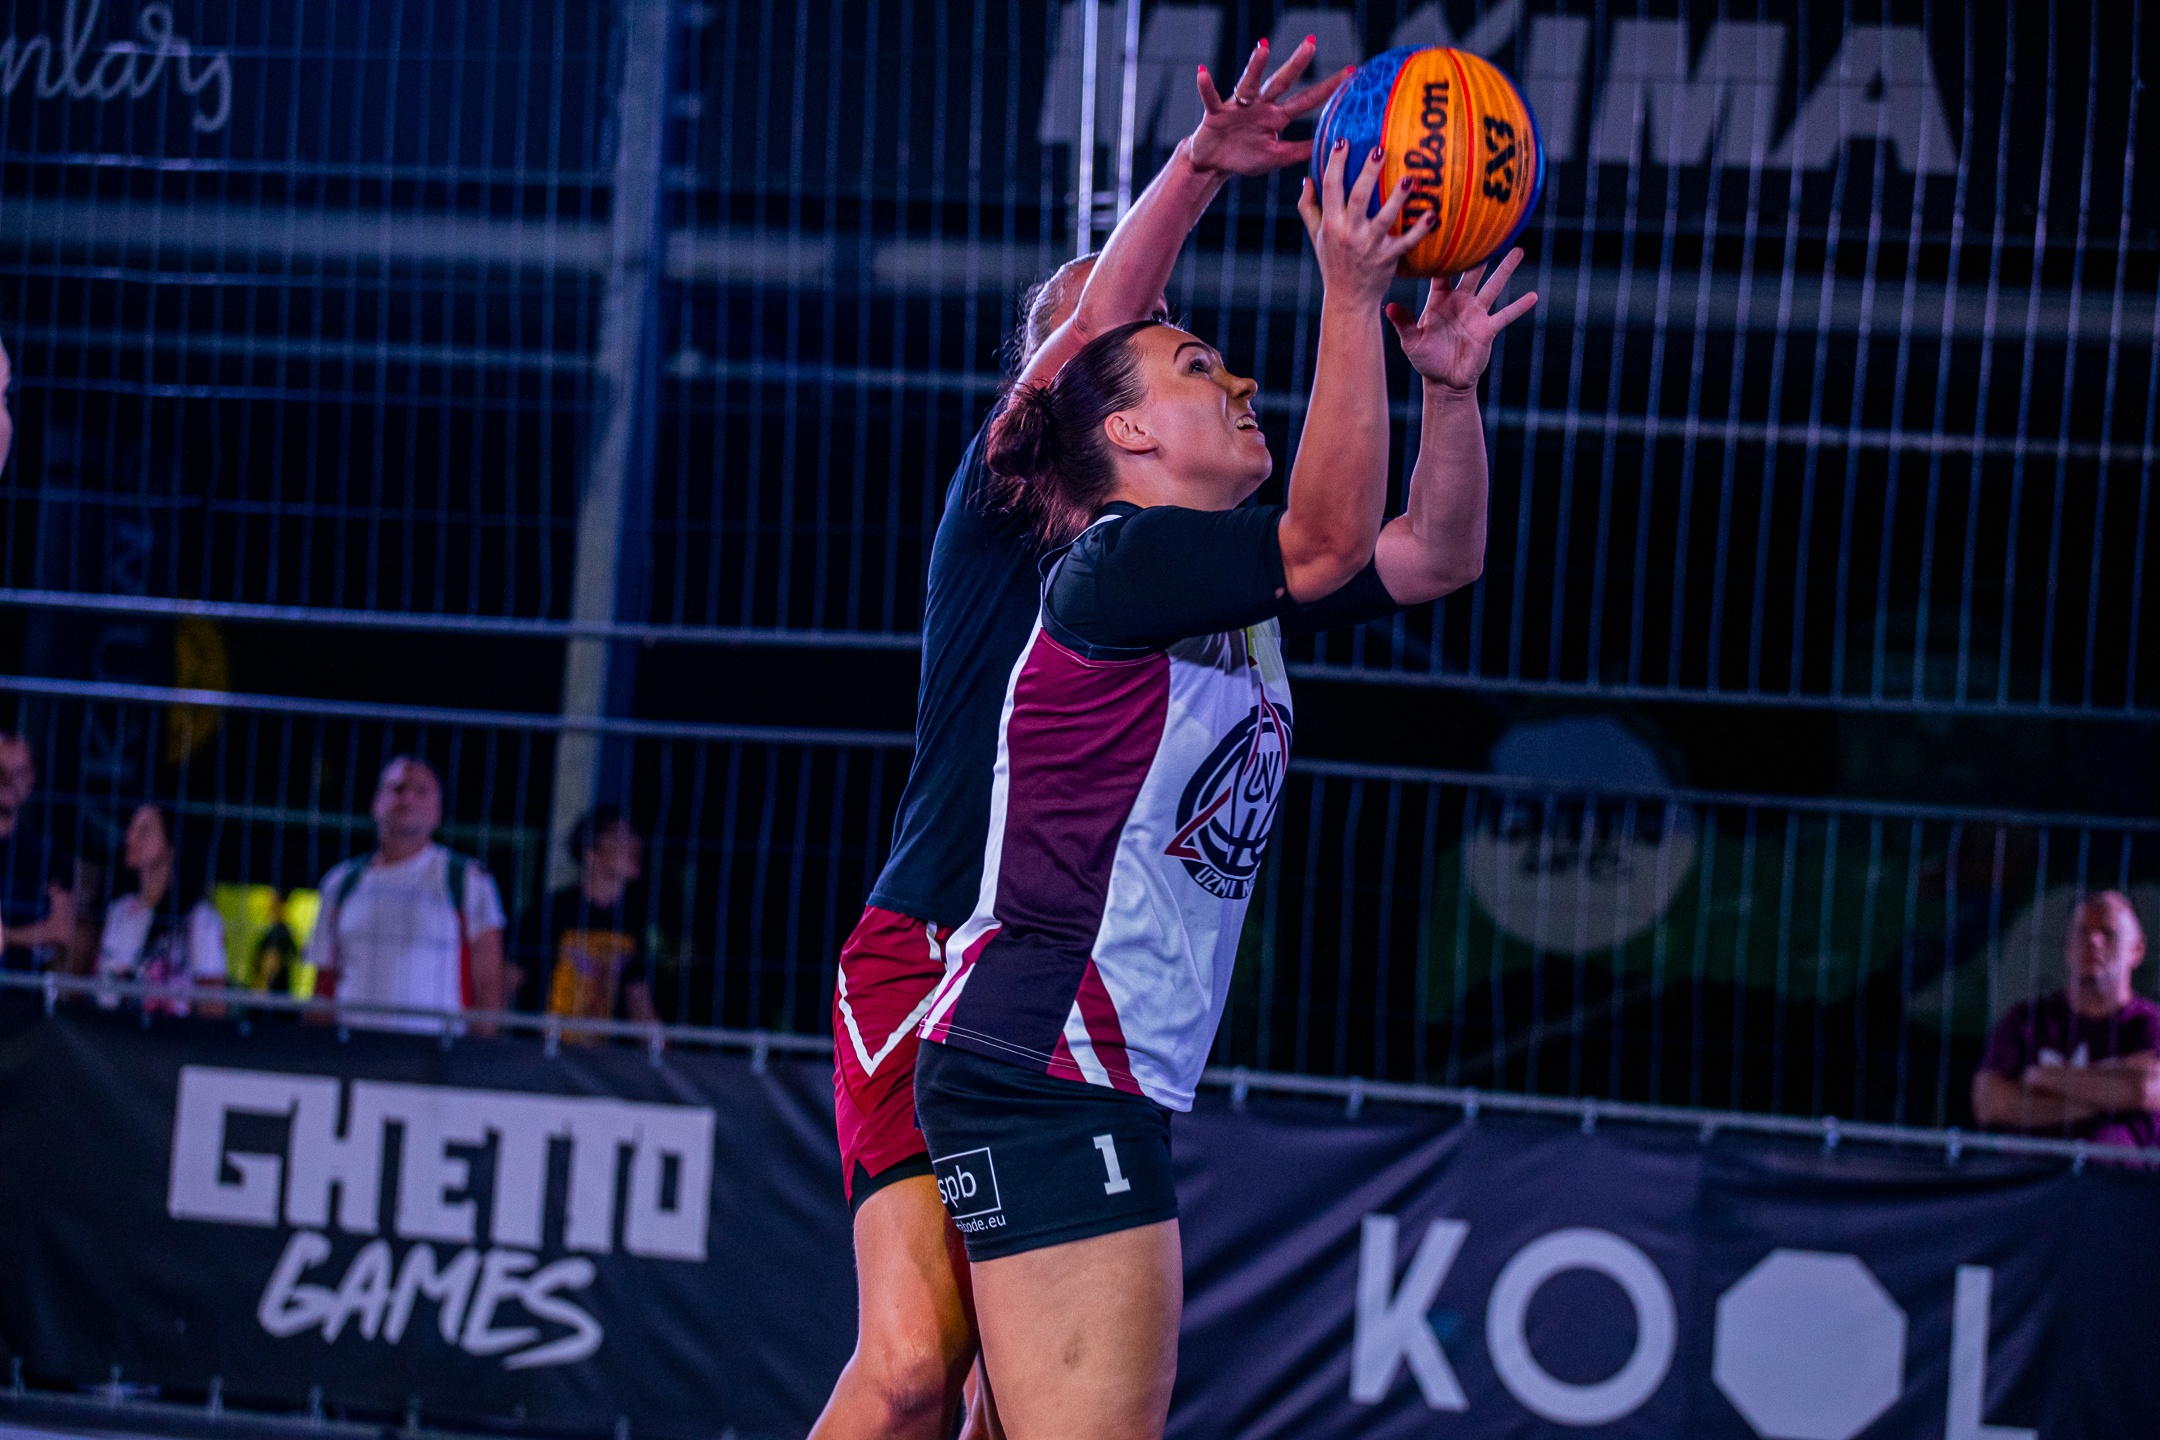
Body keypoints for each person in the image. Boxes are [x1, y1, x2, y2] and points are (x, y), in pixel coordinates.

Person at [911, 135, 1533, 1439]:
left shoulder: (1211, 585)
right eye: (1198, 366)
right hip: (1048, 1062)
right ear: (1126, 429)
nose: (1239, 378)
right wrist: (1351, 299)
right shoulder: (1119, 565)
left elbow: (1436, 554)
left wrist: (1451, 393)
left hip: (1061, 1062)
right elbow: (1329, 538)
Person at [812, 36, 1349, 1440]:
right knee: (914, 1366)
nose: (1139, 325)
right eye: (1107, 324)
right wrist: (1200, 165)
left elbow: (1363, 547)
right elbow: (1106, 311)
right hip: (931, 945)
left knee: (1020, 1396)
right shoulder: (1006, 502)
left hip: (1053, 986)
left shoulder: (1171, 559)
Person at [304, 756, 506, 1032]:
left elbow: (489, 983)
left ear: (437, 813)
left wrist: (479, 1051)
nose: (407, 799)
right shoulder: (340, 883)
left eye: (421, 791)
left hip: (434, 1047)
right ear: (376, 803)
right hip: (351, 1044)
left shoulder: (468, 881)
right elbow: (323, 982)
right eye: (397, 789)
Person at [1973, 890, 2160, 1148]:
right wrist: (2113, 1091)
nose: (2093, 941)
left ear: (2136, 950)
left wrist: (2043, 1077)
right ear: (2068, 946)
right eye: (2082, 932)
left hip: (2116, 1171)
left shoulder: (2150, 1024)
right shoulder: (2026, 1020)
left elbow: (2146, 1091)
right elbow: (1990, 1103)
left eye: (2108, 933)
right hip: (2028, 1172)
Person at [509, 804, 658, 1033]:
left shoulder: (632, 920)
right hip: (544, 1046)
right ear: (591, 853)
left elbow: (639, 1001)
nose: (635, 845)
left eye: (634, 836)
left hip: (602, 1051)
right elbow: (508, 979)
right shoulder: (552, 911)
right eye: (621, 838)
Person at [94, 803, 227, 1014]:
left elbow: (213, 1006)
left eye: (145, 830)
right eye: (131, 828)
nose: (131, 837)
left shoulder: (201, 919)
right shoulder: (119, 910)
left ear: (171, 844)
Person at [0, 732, 75, 970]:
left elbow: (61, 930)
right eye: (0, 771)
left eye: (19, 773)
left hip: (24, 983)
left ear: (31, 778)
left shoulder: (49, 854)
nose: (8, 781)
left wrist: (6, 935)